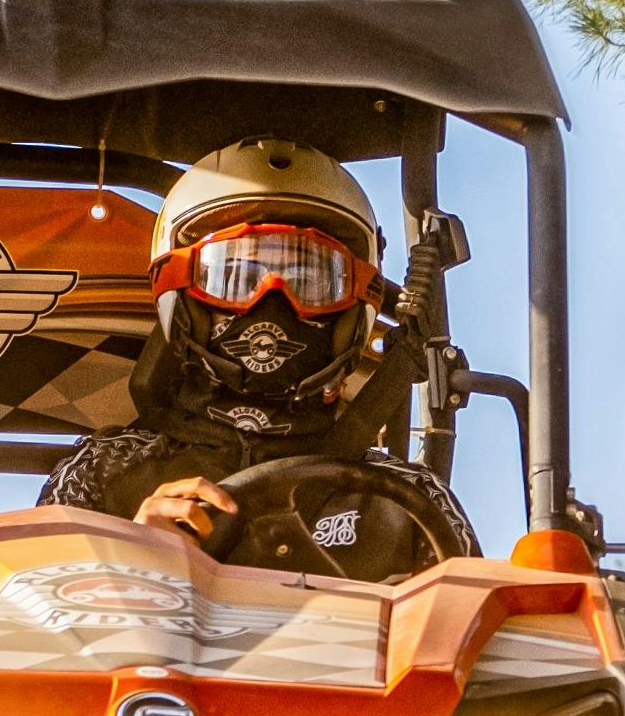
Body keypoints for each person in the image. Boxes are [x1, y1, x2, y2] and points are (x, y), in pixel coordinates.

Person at [39, 137, 473, 577]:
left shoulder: (411, 504)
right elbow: (37, 608)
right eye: (234, 276)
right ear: (183, 296)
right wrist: (126, 557)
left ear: (353, 307)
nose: (272, 303)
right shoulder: (103, 471)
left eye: (309, 280)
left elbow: (474, 615)